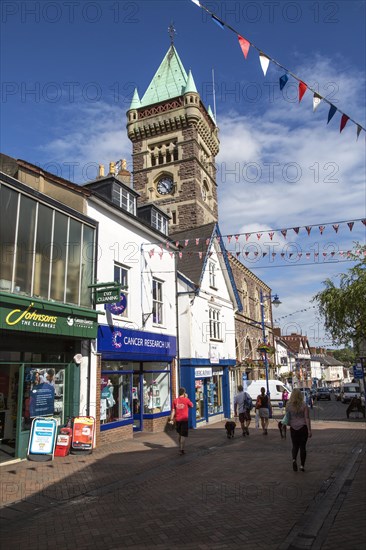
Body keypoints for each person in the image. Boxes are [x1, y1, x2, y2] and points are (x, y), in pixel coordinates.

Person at [286, 388, 312, 472]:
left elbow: (287, 418)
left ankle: (294, 459)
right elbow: (307, 418)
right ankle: (302, 466)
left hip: (293, 428)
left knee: (295, 446)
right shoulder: (304, 405)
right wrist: (309, 430)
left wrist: (289, 424)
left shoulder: (288, 405)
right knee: (302, 447)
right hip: (303, 427)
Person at [170, 387, 193, 455]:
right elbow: (192, 405)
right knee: (183, 435)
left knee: (180, 434)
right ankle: (181, 449)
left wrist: (171, 419)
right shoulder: (186, 400)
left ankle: (180, 446)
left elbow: (173, 411)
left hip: (178, 420)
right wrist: (187, 397)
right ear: (184, 393)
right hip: (184, 420)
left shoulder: (175, 401)